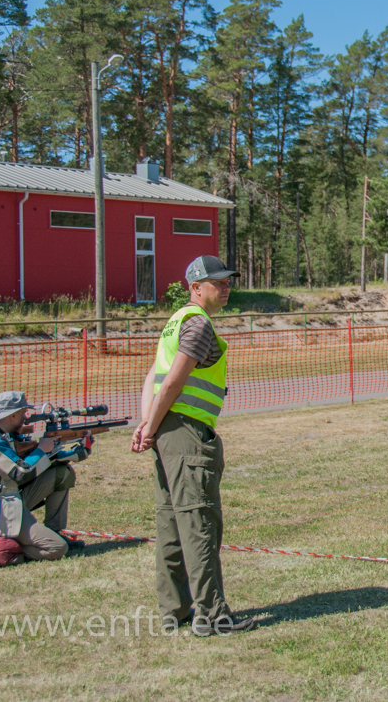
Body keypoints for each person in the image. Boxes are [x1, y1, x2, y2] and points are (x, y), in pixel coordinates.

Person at [131, 255, 256, 637]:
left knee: (171, 522)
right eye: (218, 282)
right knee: (199, 522)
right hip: (185, 432)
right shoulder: (198, 324)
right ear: (195, 288)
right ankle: (212, 615)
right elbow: (170, 383)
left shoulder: (174, 323)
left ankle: (175, 610)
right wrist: (150, 425)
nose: (226, 287)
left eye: (227, 281)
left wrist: (147, 425)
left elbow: (152, 376)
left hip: (166, 430)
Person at [0, 391, 91, 561]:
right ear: (12, 415)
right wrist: (41, 449)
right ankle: (10, 550)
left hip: (11, 498)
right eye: (23, 412)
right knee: (57, 548)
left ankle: (55, 531)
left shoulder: (5, 435)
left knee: (62, 474)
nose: (26, 416)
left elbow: (39, 463)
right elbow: (20, 473)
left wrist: (75, 451)